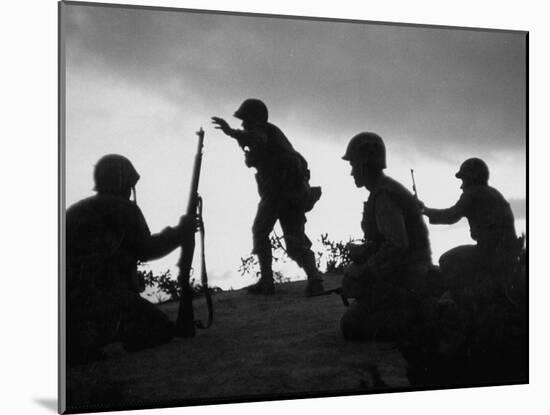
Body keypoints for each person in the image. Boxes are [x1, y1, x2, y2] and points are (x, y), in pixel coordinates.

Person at [66, 154, 194, 365]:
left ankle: (82, 338)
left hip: (67, 301)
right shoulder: (124, 208)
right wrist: (179, 234)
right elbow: (146, 249)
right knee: (159, 328)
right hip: (105, 297)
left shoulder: (73, 211)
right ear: (122, 182)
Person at [419, 158, 526, 384]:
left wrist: (424, 210)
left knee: (447, 260)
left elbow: (451, 216)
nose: (461, 185)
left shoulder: (474, 193)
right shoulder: (491, 193)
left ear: (472, 178)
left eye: (463, 179)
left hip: (492, 256)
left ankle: (463, 307)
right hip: (503, 256)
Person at [211, 98, 323, 296]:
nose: (243, 124)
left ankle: (268, 281)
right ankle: (313, 278)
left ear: (256, 119)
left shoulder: (262, 133)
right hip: (289, 193)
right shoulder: (269, 134)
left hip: (280, 193)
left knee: (262, 231)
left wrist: (231, 132)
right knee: (294, 239)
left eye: (246, 120)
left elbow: (256, 139)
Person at [338, 132, 433, 346]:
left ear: (364, 164)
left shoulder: (384, 196)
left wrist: (363, 270)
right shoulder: (382, 190)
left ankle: (417, 321)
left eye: (353, 164)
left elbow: (397, 246)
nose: (352, 171)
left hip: (407, 278)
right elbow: (387, 241)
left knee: (352, 326)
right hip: (404, 274)